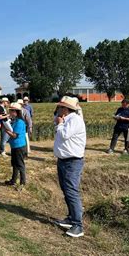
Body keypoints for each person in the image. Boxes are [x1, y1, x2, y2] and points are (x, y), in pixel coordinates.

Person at [53, 96, 87, 238]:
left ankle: (78, 225)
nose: (57, 110)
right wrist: (59, 123)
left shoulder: (75, 120)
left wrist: (59, 124)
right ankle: (71, 218)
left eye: (60, 107)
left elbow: (65, 135)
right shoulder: (67, 120)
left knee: (72, 192)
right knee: (66, 190)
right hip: (64, 160)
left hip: (72, 161)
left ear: (65, 109)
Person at [3, 103, 27, 187]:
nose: (9, 112)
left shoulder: (20, 122)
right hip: (14, 146)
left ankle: (22, 183)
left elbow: (14, 135)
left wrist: (6, 131)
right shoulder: (15, 121)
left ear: (16, 112)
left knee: (20, 164)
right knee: (14, 164)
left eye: (11, 111)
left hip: (19, 146)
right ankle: (13, 180)